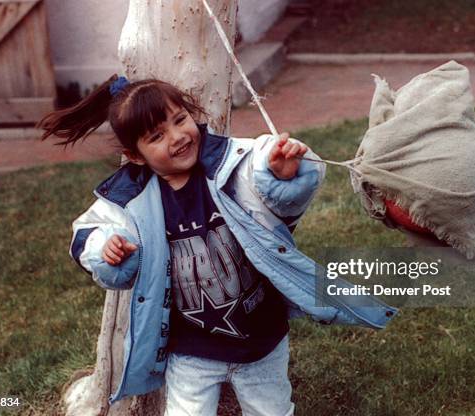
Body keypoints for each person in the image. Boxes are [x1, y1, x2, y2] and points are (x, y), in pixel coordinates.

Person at [38, 74, 397, 415]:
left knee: (272, 409)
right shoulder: (131, 200)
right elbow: (88, 232)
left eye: (180, 120)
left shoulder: (229, 163)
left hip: (263, 337)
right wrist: (105, 250)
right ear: (136, 156)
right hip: (191, 348)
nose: (177, 136)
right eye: (156, 136)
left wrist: (281, 173)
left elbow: (265, 173)